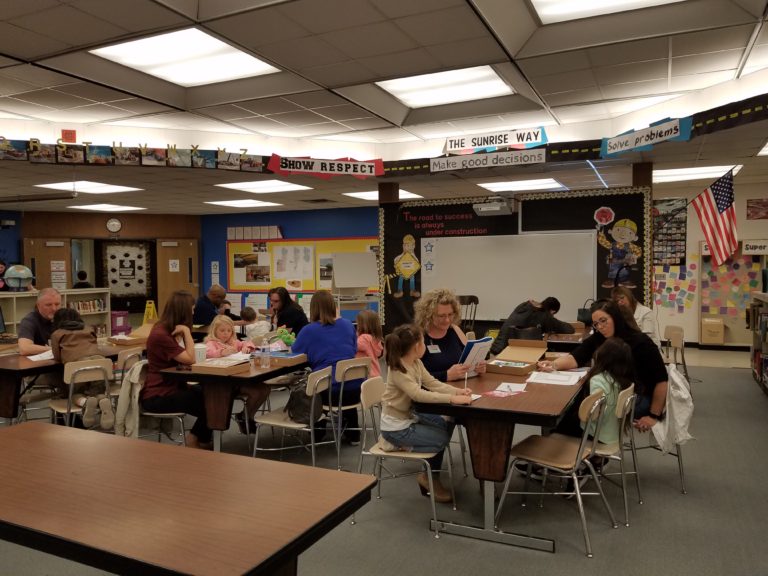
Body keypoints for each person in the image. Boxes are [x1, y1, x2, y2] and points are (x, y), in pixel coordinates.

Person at [537, 300, 668, 433]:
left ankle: (570, 441)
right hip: (613, 392)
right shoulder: (600, 338)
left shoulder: (641, 343)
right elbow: (576, 357)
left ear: (616, 317)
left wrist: (653, 416)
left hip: (639, 399)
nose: (600, 327)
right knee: (575, 402)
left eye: (603, 320)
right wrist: (553, 364)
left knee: (583, 406)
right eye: (596, 324)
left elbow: (662, 381)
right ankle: (566, 439)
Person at [380, 324, 472, 503]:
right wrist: (452, 399)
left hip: (408, 416)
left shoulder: (415, 362)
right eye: (423, 341)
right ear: (417, 346)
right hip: (395, 427)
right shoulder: (399, 369)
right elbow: (418, 394)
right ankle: (396, 444)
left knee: (446, 423)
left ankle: (430, 473)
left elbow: (432, 383)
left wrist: (456, 392)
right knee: (441, 439)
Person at [142, 290, 213, 449]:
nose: (194, 312)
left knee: (215, 395)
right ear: (184, 311)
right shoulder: (161, 334)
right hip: (158, 394)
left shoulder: (169, 329)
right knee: (212, 404)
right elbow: (190, 358)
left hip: (173, 387)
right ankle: (195, 439)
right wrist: (187, 332)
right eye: (192, 309)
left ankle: (200, 438)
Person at [291, 290, 359, 443]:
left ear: (313, 308)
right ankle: (353, 434)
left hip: (329, 392)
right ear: (333, 305)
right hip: (357, 388)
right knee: (342, 379)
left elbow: (296, 352)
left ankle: (318, 432)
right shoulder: (348, 325)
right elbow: (353, 350)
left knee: (313, 386)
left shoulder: (309, 330)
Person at [50, 308, 113, 429]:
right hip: (100, 364)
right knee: (97, 390)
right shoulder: (89, 329)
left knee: (74, 393)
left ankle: (84, 402)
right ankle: (103, 399)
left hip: (78, 367)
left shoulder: (57, 334)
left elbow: (57, 357)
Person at [204, 315, 268, 432]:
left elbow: (248, 343)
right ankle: (245, 417)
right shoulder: (211, 343)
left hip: (238, 378)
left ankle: (246, 416)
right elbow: (209, 353)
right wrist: (222, 352)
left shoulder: (233, 342)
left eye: (229, 330)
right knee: (256, 391)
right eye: (222, 330)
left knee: (264, 389)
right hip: (223, 384)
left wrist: (247, 347)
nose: (226, 334)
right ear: (214, 331)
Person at [413, 288, 486, 382]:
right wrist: (446, 375)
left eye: (450, 314)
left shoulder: (455, 330)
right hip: (433, 393)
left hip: (460, 388)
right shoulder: (418, 337)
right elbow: (413, 378)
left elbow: (470, 361)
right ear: (428, 315)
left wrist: (477, 368)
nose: (447, 320)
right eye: (441, 316)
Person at [491, 297, 575, 356]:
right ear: (552, 311)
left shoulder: (523, 306)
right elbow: (569, 329)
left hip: (496, 348)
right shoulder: (544, 316)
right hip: (507, 353)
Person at [18, 288, 62, 356]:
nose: (54, 309)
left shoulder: (64, 318)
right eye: (48, 305)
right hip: (38, 364)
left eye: (57, 304)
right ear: (38, 305)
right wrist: (53, 349)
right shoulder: (29, 321)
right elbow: (24, 348)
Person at [355, 309, 384, 378]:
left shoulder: (364, 338)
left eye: (358, 323)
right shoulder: (375, 339)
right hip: (376, 374)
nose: (357, 325)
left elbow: (353, 345)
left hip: (366, 375)